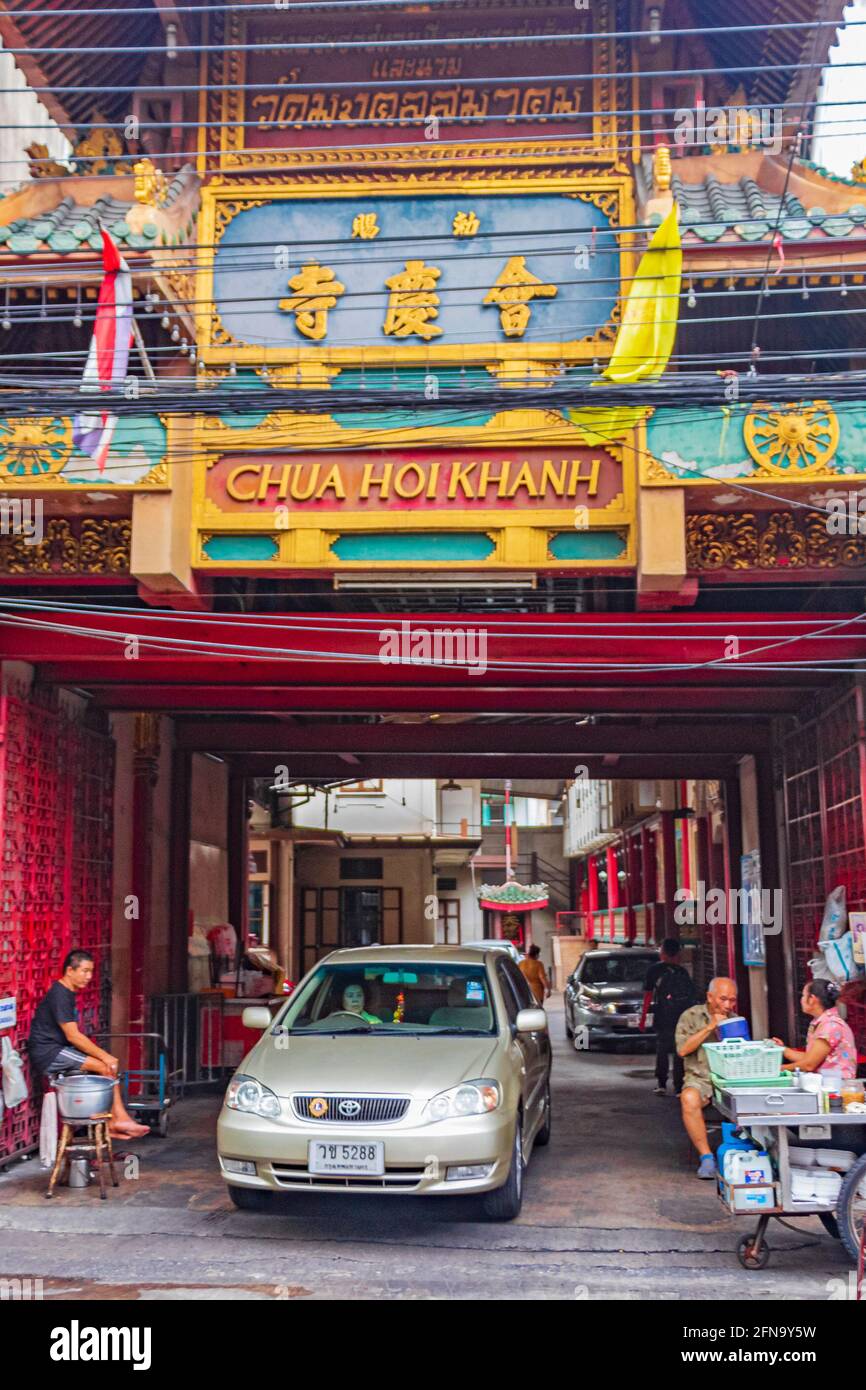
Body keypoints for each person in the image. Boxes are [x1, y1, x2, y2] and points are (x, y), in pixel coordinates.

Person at [28, 950, 150, 1140]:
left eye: (91, 971)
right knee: (105, 1065)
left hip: (59, 1049)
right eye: (84, 971)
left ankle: (113, 1121)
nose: (89, 977)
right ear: (70, 970)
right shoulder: (60, 994)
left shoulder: (67, 993)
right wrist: (105, 1056)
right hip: (49, 1052)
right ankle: (117, 1120)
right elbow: (73, 1036)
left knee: (105, 1067)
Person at [675, 977, 739, 1179]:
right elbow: (683, 1050)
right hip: (700, 1078)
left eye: (732, 1000)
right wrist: (710, 1027)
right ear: (710, 997)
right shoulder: (690, 1016)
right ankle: (706, 1157)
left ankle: (745, 1153)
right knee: (689, 1099)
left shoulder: (735, 1019)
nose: (728, 1005)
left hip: (729, 1079)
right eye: (723, 999)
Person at [642, 938, 698, 1096]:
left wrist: (643, 1018)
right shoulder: (682, 972)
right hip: (680, 1017)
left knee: (662, 1050)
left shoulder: (654, 970)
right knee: (679, 1051)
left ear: (664, 953)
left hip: (662, 1016)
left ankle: (661, 1084)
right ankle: (679, 1086)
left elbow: (647, 996)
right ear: (677, 954)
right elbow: (691, 996)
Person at [773, 978, 857, 1079]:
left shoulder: (830, 1025)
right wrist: (781, 1049)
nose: (802, 999)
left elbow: (809, 1064)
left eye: (803, 995)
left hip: (836, 1088)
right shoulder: (822, 1022)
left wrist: (778, 1069)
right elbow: (810, 1058)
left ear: (812, 999)